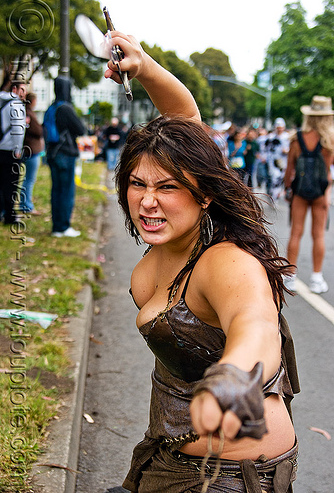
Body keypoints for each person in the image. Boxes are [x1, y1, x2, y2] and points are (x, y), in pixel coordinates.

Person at [103, 31, 300, 493]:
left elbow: (255, 325)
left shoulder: (224, 259)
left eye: (168, 187)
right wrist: (144, 66)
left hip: (226, 479)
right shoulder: (168, 245)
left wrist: (231, 381)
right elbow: (183, 122)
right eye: (137, 184)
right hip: (168, 456)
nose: (148, 202)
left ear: (204, 193)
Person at [284, 96, 334, 294]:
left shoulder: (297, 139)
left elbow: (290, 170)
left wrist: (289, 188)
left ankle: (289, 277)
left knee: (296, 232)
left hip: (300, 191)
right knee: (318, 234)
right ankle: (316, 278)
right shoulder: (330, 140)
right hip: (321, 193)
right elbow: (329, 171)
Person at [44, 76, 85, 237]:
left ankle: (56, 227)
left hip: (52, 154)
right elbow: (81, 129)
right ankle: (64, 227)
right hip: (65, 154)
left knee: (56, 191)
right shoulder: (66, 108)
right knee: (67, 190)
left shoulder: (51, 108)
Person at [0, 78, 27, 224]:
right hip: (10, 149)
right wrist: (18, 148)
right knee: (11, 184)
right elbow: (18, 128)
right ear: (15, 90)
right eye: (22, 90)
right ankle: (10, 216)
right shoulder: (15, 103)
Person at [20, 92, 44, 214]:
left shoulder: (25, 112)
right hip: (31, 150)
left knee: (26, 179)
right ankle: (26, 205)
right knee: (29, 179)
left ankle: (24, 203)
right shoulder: (29, 113)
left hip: (29, 149)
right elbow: (38, 131)